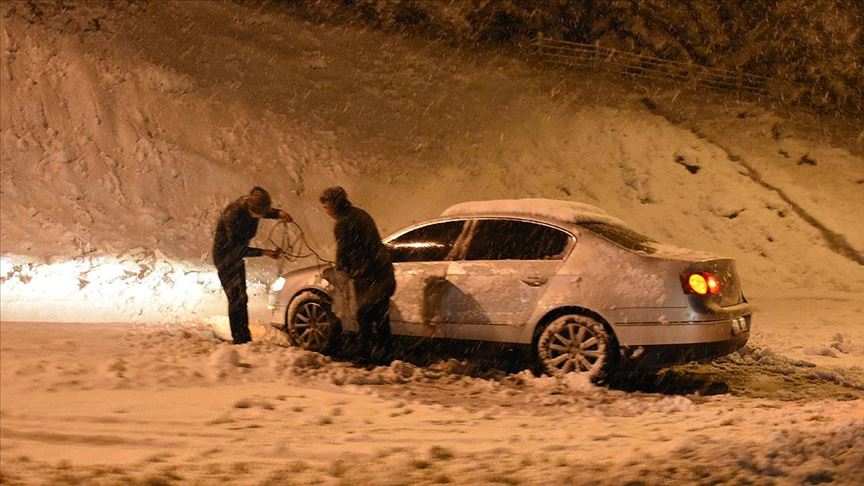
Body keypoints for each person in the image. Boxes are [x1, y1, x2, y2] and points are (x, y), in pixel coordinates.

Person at [320, 186, 395, 359]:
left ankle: (366, 354)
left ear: (334, 204)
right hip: (383, 271)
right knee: (381, 317)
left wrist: (339, 270)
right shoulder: (360, 214)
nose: (325, 211)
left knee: (364, 316)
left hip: (368, 275)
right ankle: (387, 353)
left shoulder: (343, 223)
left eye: (326, 206)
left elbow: (345, 252)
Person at [212, 186, 292, 344]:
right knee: (236, 299)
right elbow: (236, 249)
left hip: (236, 257)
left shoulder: (252, 207)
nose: (261, 217)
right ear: (252, 209)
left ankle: (243, 337)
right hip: (225, 257)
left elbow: (265, 210)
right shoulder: (233, 216)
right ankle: (240, 339)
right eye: (260, 214)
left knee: (242, 298)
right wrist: (264, 252)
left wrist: (278, 213)